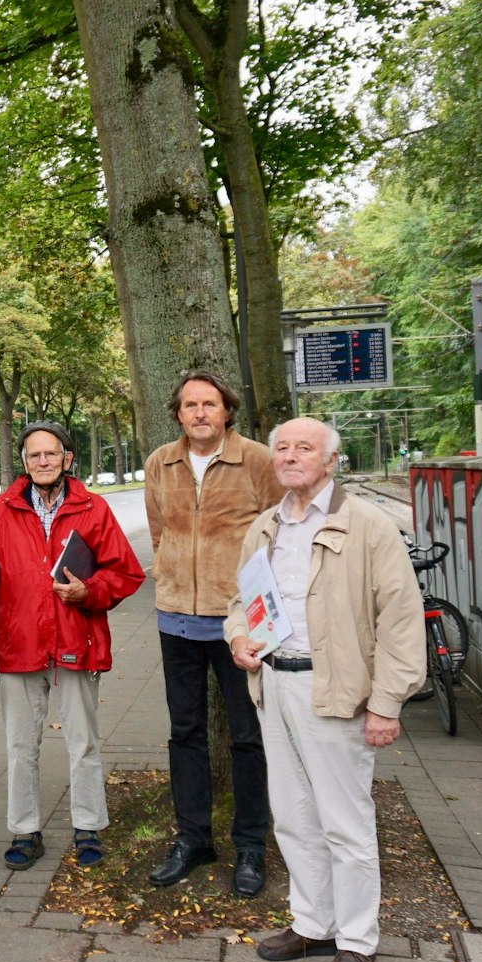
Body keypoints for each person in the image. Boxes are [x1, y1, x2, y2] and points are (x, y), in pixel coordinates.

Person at [226, 417, 424, 962]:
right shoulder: (265, 526)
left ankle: (358, 942)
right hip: (274, 686)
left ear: (331, 459)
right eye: (281, 448)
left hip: (336, 690)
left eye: (304, 448)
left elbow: (402, 619)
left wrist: (387, 703)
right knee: (292, 816)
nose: (290, 456)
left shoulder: (366, 526)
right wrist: (238, 636)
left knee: (347, 824)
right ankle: (312, 923)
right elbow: (242, 601)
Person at [0, 421, 145, 870]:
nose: (43, 462)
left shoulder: (93, 509)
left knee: (84, 743)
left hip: (76, 643)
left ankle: (88, 827)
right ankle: (25, 830)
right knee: (20, 746)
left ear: (68, 458)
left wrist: (89, 592)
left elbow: (126, 573)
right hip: (18, 647)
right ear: (24, 462)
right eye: (34, 455)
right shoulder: (1, 511)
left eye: (51, 454)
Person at [142, 371, 285, 896]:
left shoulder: (257, 461)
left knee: (247, 736)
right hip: (175, 615)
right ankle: (193, 838)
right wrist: (173, 571)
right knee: (186, 733)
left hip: (240, 623)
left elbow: (278, 531)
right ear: (177, 413)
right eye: (189, 405)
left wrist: (254, 607)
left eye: (210, 404)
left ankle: (250, 845)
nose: (200, 412)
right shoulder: (162, 462)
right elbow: (158, 529)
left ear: (227, 410)